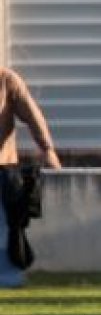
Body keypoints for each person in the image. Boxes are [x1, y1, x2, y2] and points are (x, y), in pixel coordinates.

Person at [0, 67, 61, 289]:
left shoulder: (6, 80)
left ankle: (7, 279)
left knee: (5, 229)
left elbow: (33, 116)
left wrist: (48, 150)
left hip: (2, 169)